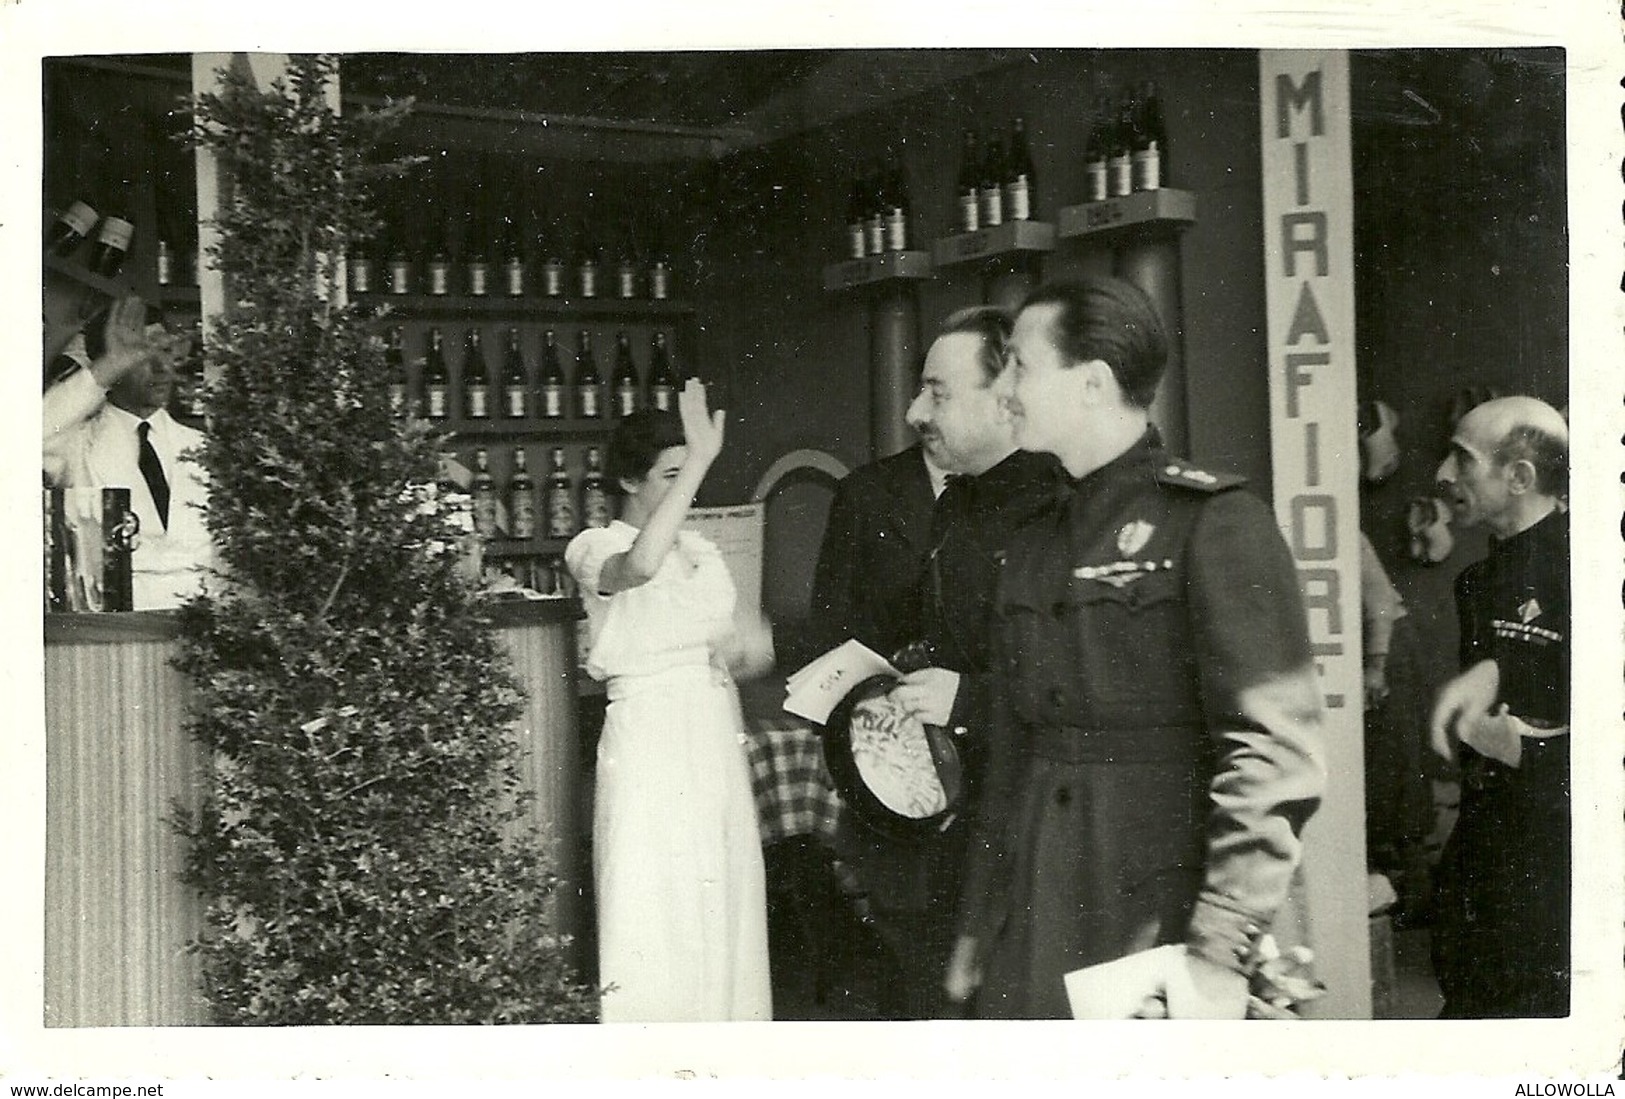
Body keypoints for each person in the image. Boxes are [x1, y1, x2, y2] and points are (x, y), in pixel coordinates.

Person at [945, 276, 1325, 1019]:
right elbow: (1012, 752)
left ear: (1091, 383)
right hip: (1035, 906)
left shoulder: (1213, 522)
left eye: (1020, 366)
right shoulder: (1030, 540)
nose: (1006, 391)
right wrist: (974, 925)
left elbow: (1273, 752)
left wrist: (1219, 947)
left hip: (1158, 909)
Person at [829, 306, 1065, 1019]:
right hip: (936, 831)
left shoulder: (1056, 510)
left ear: (1004, 398)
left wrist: (966, 701)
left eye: (936, 392)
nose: (912, 411)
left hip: (1017, 836)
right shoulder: (958, 503)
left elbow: (1082, 687)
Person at [563, 382, 772, 1023]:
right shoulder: (593, 547)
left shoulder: (703, 553)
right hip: (649, 739)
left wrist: (740, 652)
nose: (687, 488)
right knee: (655, 911)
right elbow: (641, 566)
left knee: (724, 901)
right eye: (671, 475)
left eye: (689, 474)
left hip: (712, 732)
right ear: (629, 479)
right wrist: (704, 459)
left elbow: (754, 643)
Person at [1427, 395, 1569, 1018]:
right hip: (1489, 848)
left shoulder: (1589, 569)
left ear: (1520, 477)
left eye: (1462, 460)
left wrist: (1525, 748)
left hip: (1559, 863)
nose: (1442, 475)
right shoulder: (1477, 583)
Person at [43, 292, 214, 610]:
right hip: (120, 634)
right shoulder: (77, 444)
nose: (162, 368)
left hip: (207, 625)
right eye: (141, 356)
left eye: (164, 351)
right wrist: (110, 367)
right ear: (108, 364)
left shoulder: (204, 448)